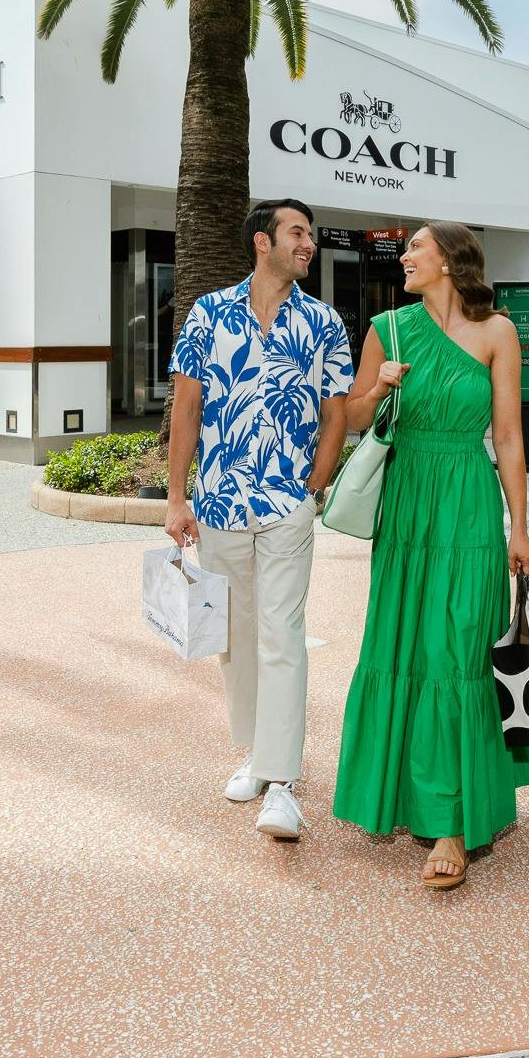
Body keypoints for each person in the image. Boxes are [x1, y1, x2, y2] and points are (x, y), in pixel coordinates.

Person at [329, 220, 529, 890]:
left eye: (416, 247)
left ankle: (450, 822)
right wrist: (379, 389)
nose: (405, 257)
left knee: (458, 650)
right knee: (406, 647)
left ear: (450, 260)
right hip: (407, 507)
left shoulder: (497, 332)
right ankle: (404, 798)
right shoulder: (387, 330)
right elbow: (352, 418)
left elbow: (508, 437)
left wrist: (520, 527)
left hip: (470, 504)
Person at [166, 198, 353, 842]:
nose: (309, 243)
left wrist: (313, 488)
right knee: (235, 637)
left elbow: (336, 412)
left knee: (282, 634)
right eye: (297, 232)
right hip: (219, 501)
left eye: (311, 235)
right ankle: (254, 754)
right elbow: (186, 408)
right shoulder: (208, 313)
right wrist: (176, 498)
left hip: (286, 506)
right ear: (262, 242)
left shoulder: (323, 322)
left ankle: (282, 785)